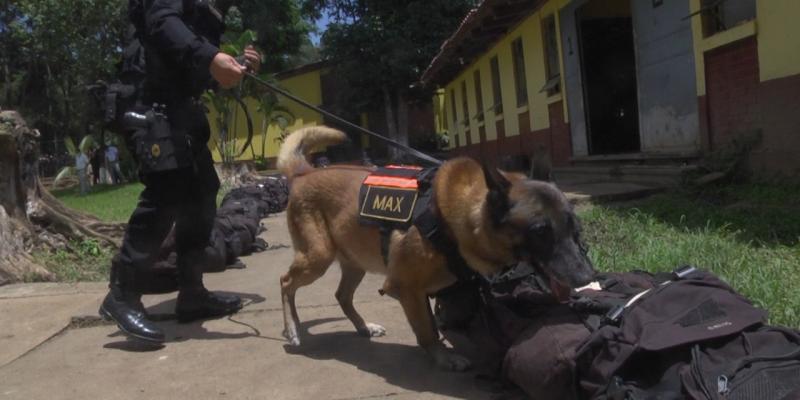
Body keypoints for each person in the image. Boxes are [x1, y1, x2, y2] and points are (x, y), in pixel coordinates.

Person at [98, 0, 262, 344]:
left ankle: (191, 293)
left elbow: (193, 64)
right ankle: (122, 295)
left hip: (180, 110)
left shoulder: (209, 11)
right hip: (148, 102)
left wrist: (232, 70)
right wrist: (210, 57)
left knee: (202, 193)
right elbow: (160, 22)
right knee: (166, 192)